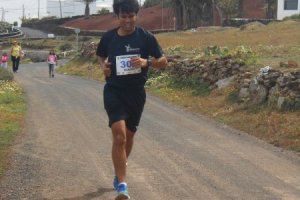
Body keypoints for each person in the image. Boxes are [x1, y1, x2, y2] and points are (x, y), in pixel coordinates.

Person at [96, 0, 168, 199]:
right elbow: (100, 56)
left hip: (136, 93)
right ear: (117, 17)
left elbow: (163, 62)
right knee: (119, 136)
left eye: (131, 16)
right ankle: (123, 185)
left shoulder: (146, 37)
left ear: (137, 15)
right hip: (114, 90)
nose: (127, 20)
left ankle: (119, 173)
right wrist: (104, 67)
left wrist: (147, 62)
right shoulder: (109, 38)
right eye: (123, 16)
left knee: (129, 137)